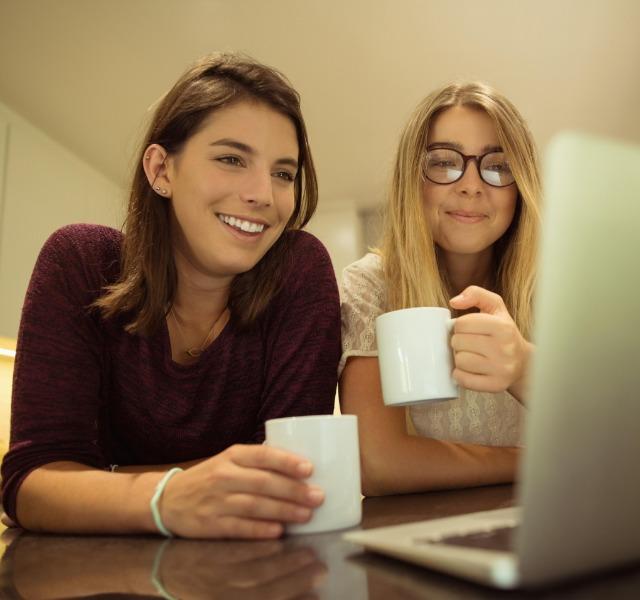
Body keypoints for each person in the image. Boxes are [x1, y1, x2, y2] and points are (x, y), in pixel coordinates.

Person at [0, 53, 341, 538]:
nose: (264, 193)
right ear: (161, 169)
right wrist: (169, 497)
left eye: (284, 173)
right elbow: (30, 482)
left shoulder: (299, 273)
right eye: (231, 159)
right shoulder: (79, 262)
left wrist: (103, 483)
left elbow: (287, 476)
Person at [339, 82, 540, 495]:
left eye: (498, 166)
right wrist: (537, 461)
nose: (470, 185)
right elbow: (379, 465)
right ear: (412, 179)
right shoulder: (370, 286)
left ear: (521, 188)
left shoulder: (557, 288)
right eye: (445, 162)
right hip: (418, 529)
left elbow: (615, 439)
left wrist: (523, 367)